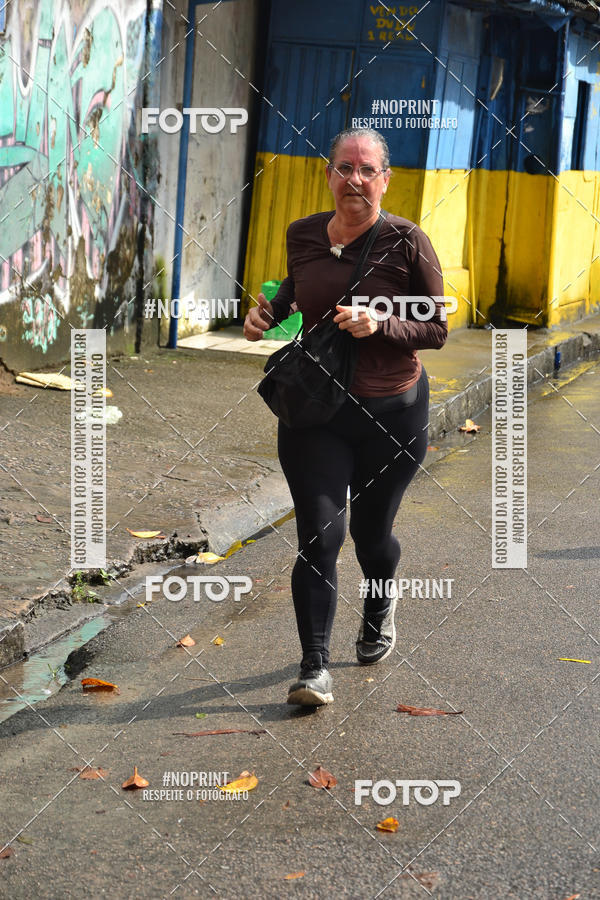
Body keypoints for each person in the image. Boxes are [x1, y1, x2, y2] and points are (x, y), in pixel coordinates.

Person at [244, 127, 447, 706]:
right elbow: (292, 295)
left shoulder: (408, 241)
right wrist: (267, 315)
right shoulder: (303, 233)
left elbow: (435, 328)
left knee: (370, 535)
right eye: (343, 168)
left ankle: (379, 605)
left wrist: (381, 324)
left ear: (385, 178)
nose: (354, 179)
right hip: (317, 411)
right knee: (320, 535)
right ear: (329, 174)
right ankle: (314, 668)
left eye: (366, 170)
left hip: (393, 415)